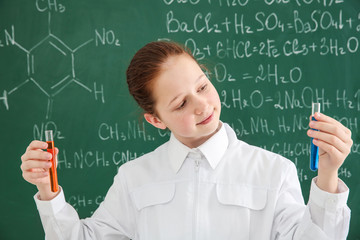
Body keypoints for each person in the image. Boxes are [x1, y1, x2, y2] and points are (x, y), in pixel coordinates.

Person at [20, 41, 353, 240]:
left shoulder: (272, 171)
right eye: (180, 104)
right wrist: (47, 192)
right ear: (155, 119)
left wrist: (328, 176)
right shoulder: (135, 177)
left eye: (203, 86)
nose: (203, 105)